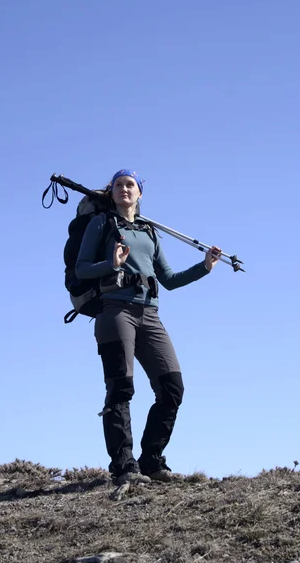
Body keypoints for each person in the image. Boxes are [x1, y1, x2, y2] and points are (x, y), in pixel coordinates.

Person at [75, 170, 221, 486]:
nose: (124, 189)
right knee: (120, 388)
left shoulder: (149, 233)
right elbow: (82, 268)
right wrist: (111, 265)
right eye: (118, 185)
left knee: (172, 388)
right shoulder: (101, 225)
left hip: (150, 315)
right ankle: (124, 467)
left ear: (140, 194)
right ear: (111, 193)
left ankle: (151, 461)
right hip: (115, 311)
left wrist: (204, 267)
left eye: (130, 185)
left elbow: (168, 279)